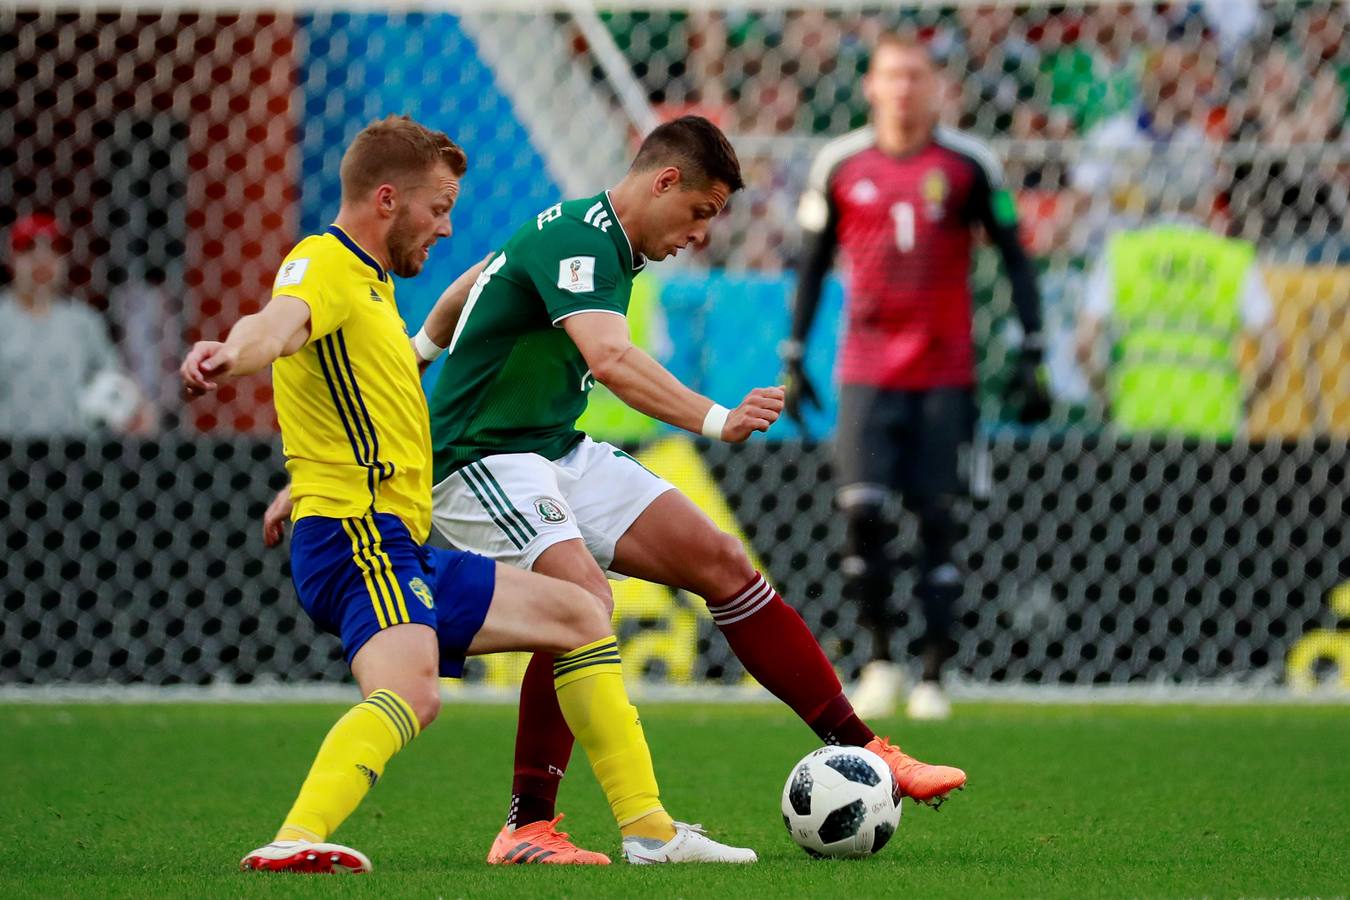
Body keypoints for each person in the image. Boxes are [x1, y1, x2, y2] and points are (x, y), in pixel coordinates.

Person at [182, 115, 754, 874]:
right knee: (412, 693)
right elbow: (276, 325)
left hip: (378, 534)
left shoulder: (371, 282)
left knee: (580, 612)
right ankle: (295, 839)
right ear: (388, 201)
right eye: (439, 208)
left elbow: (386, 379)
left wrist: (307, 477)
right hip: (360, 538)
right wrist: (233, 353)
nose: (448, 227)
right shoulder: (321, 264)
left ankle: (647, 830)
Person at [401, 114, 964, 864]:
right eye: (701, 212)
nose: (702, 234)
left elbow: (475, 284)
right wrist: (716, 417)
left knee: (722, 563)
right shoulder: (580, 235)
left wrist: (416, 354)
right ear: (664, 181)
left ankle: (868, 749)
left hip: (551, 447)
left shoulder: (594, 239)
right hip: (479, 458)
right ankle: (555, 824)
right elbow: (609, 360)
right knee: (582, 605)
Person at [782, 35, 1049, 721]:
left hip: (944, 372)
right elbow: (811, 263)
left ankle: (933, 673)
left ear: (939, 89)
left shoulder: (967, 165)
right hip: (866, 371)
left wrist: (1032, 347)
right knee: (862, 513)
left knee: (937, 518)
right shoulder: (840, 164)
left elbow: (1016, 258)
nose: (903, 88)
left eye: (916, 76)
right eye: (891, 75)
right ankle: (878, 661)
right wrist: (793, 352)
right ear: (870, 86)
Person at [1074, 185, 1282, 439]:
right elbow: (1274, 352)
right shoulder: (1231, 258)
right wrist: (1243, 403)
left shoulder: (1122, 253)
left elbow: (1084, 344)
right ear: (1205, 203)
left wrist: (1109, 399)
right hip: (1214, 422)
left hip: (1140, 419)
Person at [0, 213, 141, 436]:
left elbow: (113, 382)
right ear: (11, 258)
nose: (41, 259)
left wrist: (136, 405)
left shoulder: (83, 322)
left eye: (53, 250)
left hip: (72, 453)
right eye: (29, 250)